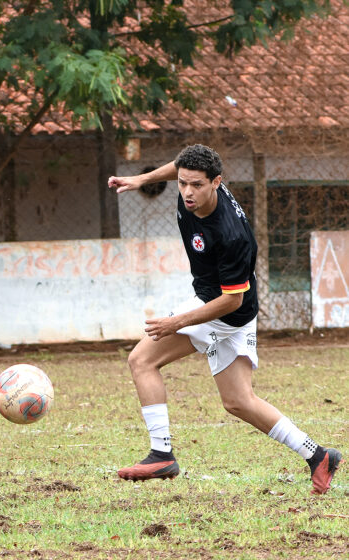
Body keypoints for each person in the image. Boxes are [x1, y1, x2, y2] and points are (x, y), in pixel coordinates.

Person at [108, 144, 342, 494]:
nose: (187, 191)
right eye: (183, 183)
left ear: (216, 182)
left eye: (196, 185)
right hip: (234, 307)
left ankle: (162, 453)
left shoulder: (230, 234)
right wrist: (141, 179)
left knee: (141, 360)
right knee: (238, 401)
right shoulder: (192, 182)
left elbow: (230, 300)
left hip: (222, 307)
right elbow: (179, 166)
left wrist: (178, 322)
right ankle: (318, 456)